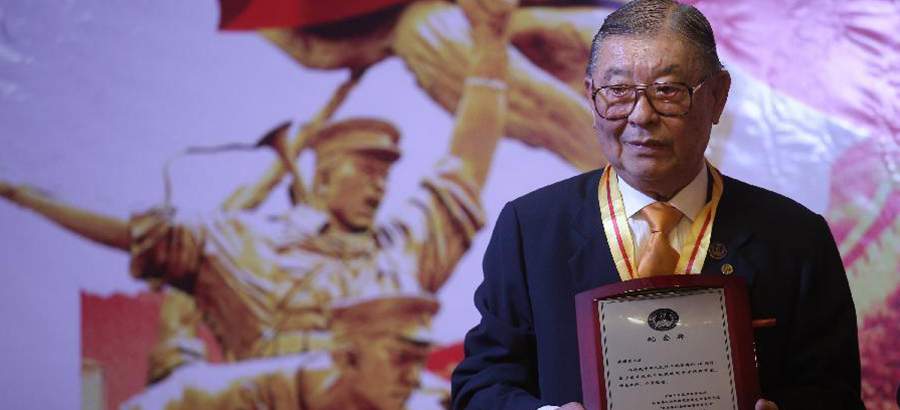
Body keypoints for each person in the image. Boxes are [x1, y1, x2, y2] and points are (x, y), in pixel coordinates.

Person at [0, 0, 514, 377]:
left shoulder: (404, 249)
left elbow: (465, 164)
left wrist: (491, 47)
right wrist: (23, 195)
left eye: (386, 174)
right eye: (368, 172)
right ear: (325, 175)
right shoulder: (245, 244)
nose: (381, 187)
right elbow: (130, 233)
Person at [450, 1, 864, 409]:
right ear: (591, 96)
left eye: (667, 91)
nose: (640, 115)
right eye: (618, 91)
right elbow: (483, 383)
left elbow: (835, 390)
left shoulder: (795, 236)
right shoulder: (530, 229)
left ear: (718, 97)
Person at [122, 294, 443, 410]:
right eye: (400, 358)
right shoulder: (213, 397)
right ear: (345, 357)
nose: (413, 379)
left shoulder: (424, 399)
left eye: (420, 360)